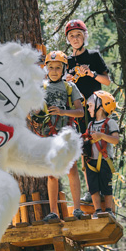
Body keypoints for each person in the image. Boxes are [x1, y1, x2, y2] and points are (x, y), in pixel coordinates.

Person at [28, 50, 85, 221]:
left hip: (66, 133)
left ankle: (77, 209)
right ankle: (53, 212)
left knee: (72, 169)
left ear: (64, 69)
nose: (54, 71)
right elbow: (32, 111)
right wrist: (33, 114)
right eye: (51, 67)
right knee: (52, 173)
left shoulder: (70, 87)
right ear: (45, 68)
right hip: (48, 135)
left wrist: (62, 111)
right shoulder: (41, 87)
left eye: (58, 68)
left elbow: (80, 112)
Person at [64, 19, 112, 203]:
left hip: (95, 109)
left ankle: (104, 191)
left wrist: (91, 73)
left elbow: (107, 81)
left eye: (78, 35)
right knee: (85, 150)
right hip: (77, 111)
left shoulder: (93, 56)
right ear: (68, 39)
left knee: (98, 149)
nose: (75, 39)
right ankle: (91, 192)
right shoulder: (66, 61)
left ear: (84, 36)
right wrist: (66, 79)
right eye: (71, 36)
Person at [82, 90, 119, 219]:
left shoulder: (110, 123)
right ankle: (97, 210)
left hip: (104, 160)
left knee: (106, 186)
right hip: (91, 161)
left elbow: (115, 140)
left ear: (100, 106)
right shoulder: (90, 124)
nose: (88, 108)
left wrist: (101, 136)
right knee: (93, 187)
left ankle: (108, 210)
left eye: (91, 106)